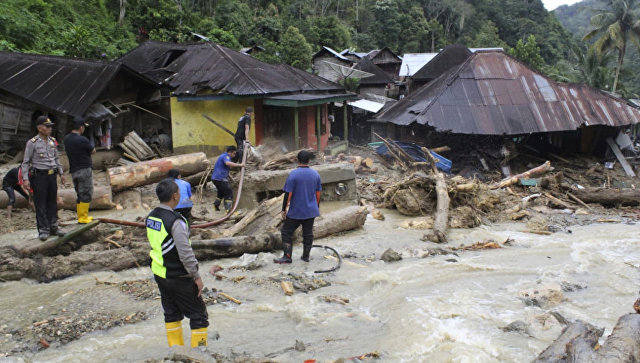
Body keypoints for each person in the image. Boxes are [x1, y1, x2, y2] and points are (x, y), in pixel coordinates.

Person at [146, 178, 209, 348]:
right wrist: (196, 276)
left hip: (160, 273)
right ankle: (200, 353)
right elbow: (185, 253)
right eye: (179, 193)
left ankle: (176, 351)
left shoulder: (151, 217)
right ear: (175, 196)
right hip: (178, 276)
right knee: (199, 315)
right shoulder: (175, 221)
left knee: (171, 313)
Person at [22, 116, 66, 241]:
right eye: (47, 126)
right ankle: (43, 229)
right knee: (40, 202)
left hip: (52, 175)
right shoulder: (32, 143)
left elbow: (57, 159)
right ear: (39, 128)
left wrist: (61, 173)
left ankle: (54, 226)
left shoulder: (52, 141)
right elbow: (25, 162)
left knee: (52, 201)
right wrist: (25, 179)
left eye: (50, 126)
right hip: (39, 176)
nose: (49, 129)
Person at [274, 150, 322, 264]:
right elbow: (318, 193)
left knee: (286, 232)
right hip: (310, 211)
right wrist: (316, 207)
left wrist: (283, 209)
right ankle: (305, 257)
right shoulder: (315, 174)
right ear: (309, 161)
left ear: (297, 160)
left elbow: (288, 194)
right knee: (308, 234)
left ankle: (287, 256)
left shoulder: (293, 174)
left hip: (296, 211)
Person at [63, 117, 95, 224]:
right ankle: (83, 217)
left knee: (79, 193)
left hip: (74, 170)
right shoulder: (83, 140)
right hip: (84, 169)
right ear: (81, 128)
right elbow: (93, 151)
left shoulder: (67, 139)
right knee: (86, 192)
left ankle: (80, 216)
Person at [211, 146, 244, 213]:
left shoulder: (223, 156)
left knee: (221, 193)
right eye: (234, 154)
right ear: (230, 152)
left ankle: (216, 207)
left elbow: (224, 169)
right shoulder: (226, 156)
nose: (234, 155)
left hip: (215, 179)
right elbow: (227, 163)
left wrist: (231, 178)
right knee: (229, 193)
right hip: (220, 178)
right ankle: (229, 211)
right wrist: (240, 165)